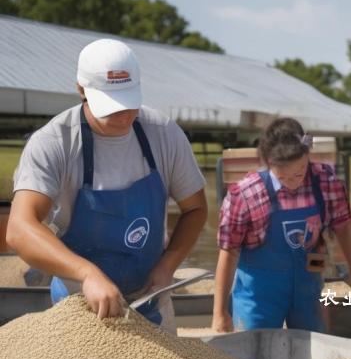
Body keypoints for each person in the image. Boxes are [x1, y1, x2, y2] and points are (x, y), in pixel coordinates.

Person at [8, 38, 207, 330]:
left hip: (150, 300)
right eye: (110, 107)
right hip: (79, 305)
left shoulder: (163, 134)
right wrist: (86, 273)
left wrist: (168, 265)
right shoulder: (53, 143)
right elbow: (19, 229)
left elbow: (195, 209)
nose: (124, 116)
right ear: (81, 90)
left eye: (129, 103)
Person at [212, 117, 351, 333]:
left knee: (316, 353)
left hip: (309, 286)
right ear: (267, 162)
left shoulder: (326, 182)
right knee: (255, 355)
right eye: (282, 175)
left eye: (299, 172)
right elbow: (229, 251)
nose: (292, 181)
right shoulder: (246, 194)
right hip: (259, 294)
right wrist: (219, 314)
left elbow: (343, 228)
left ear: (307, 155)